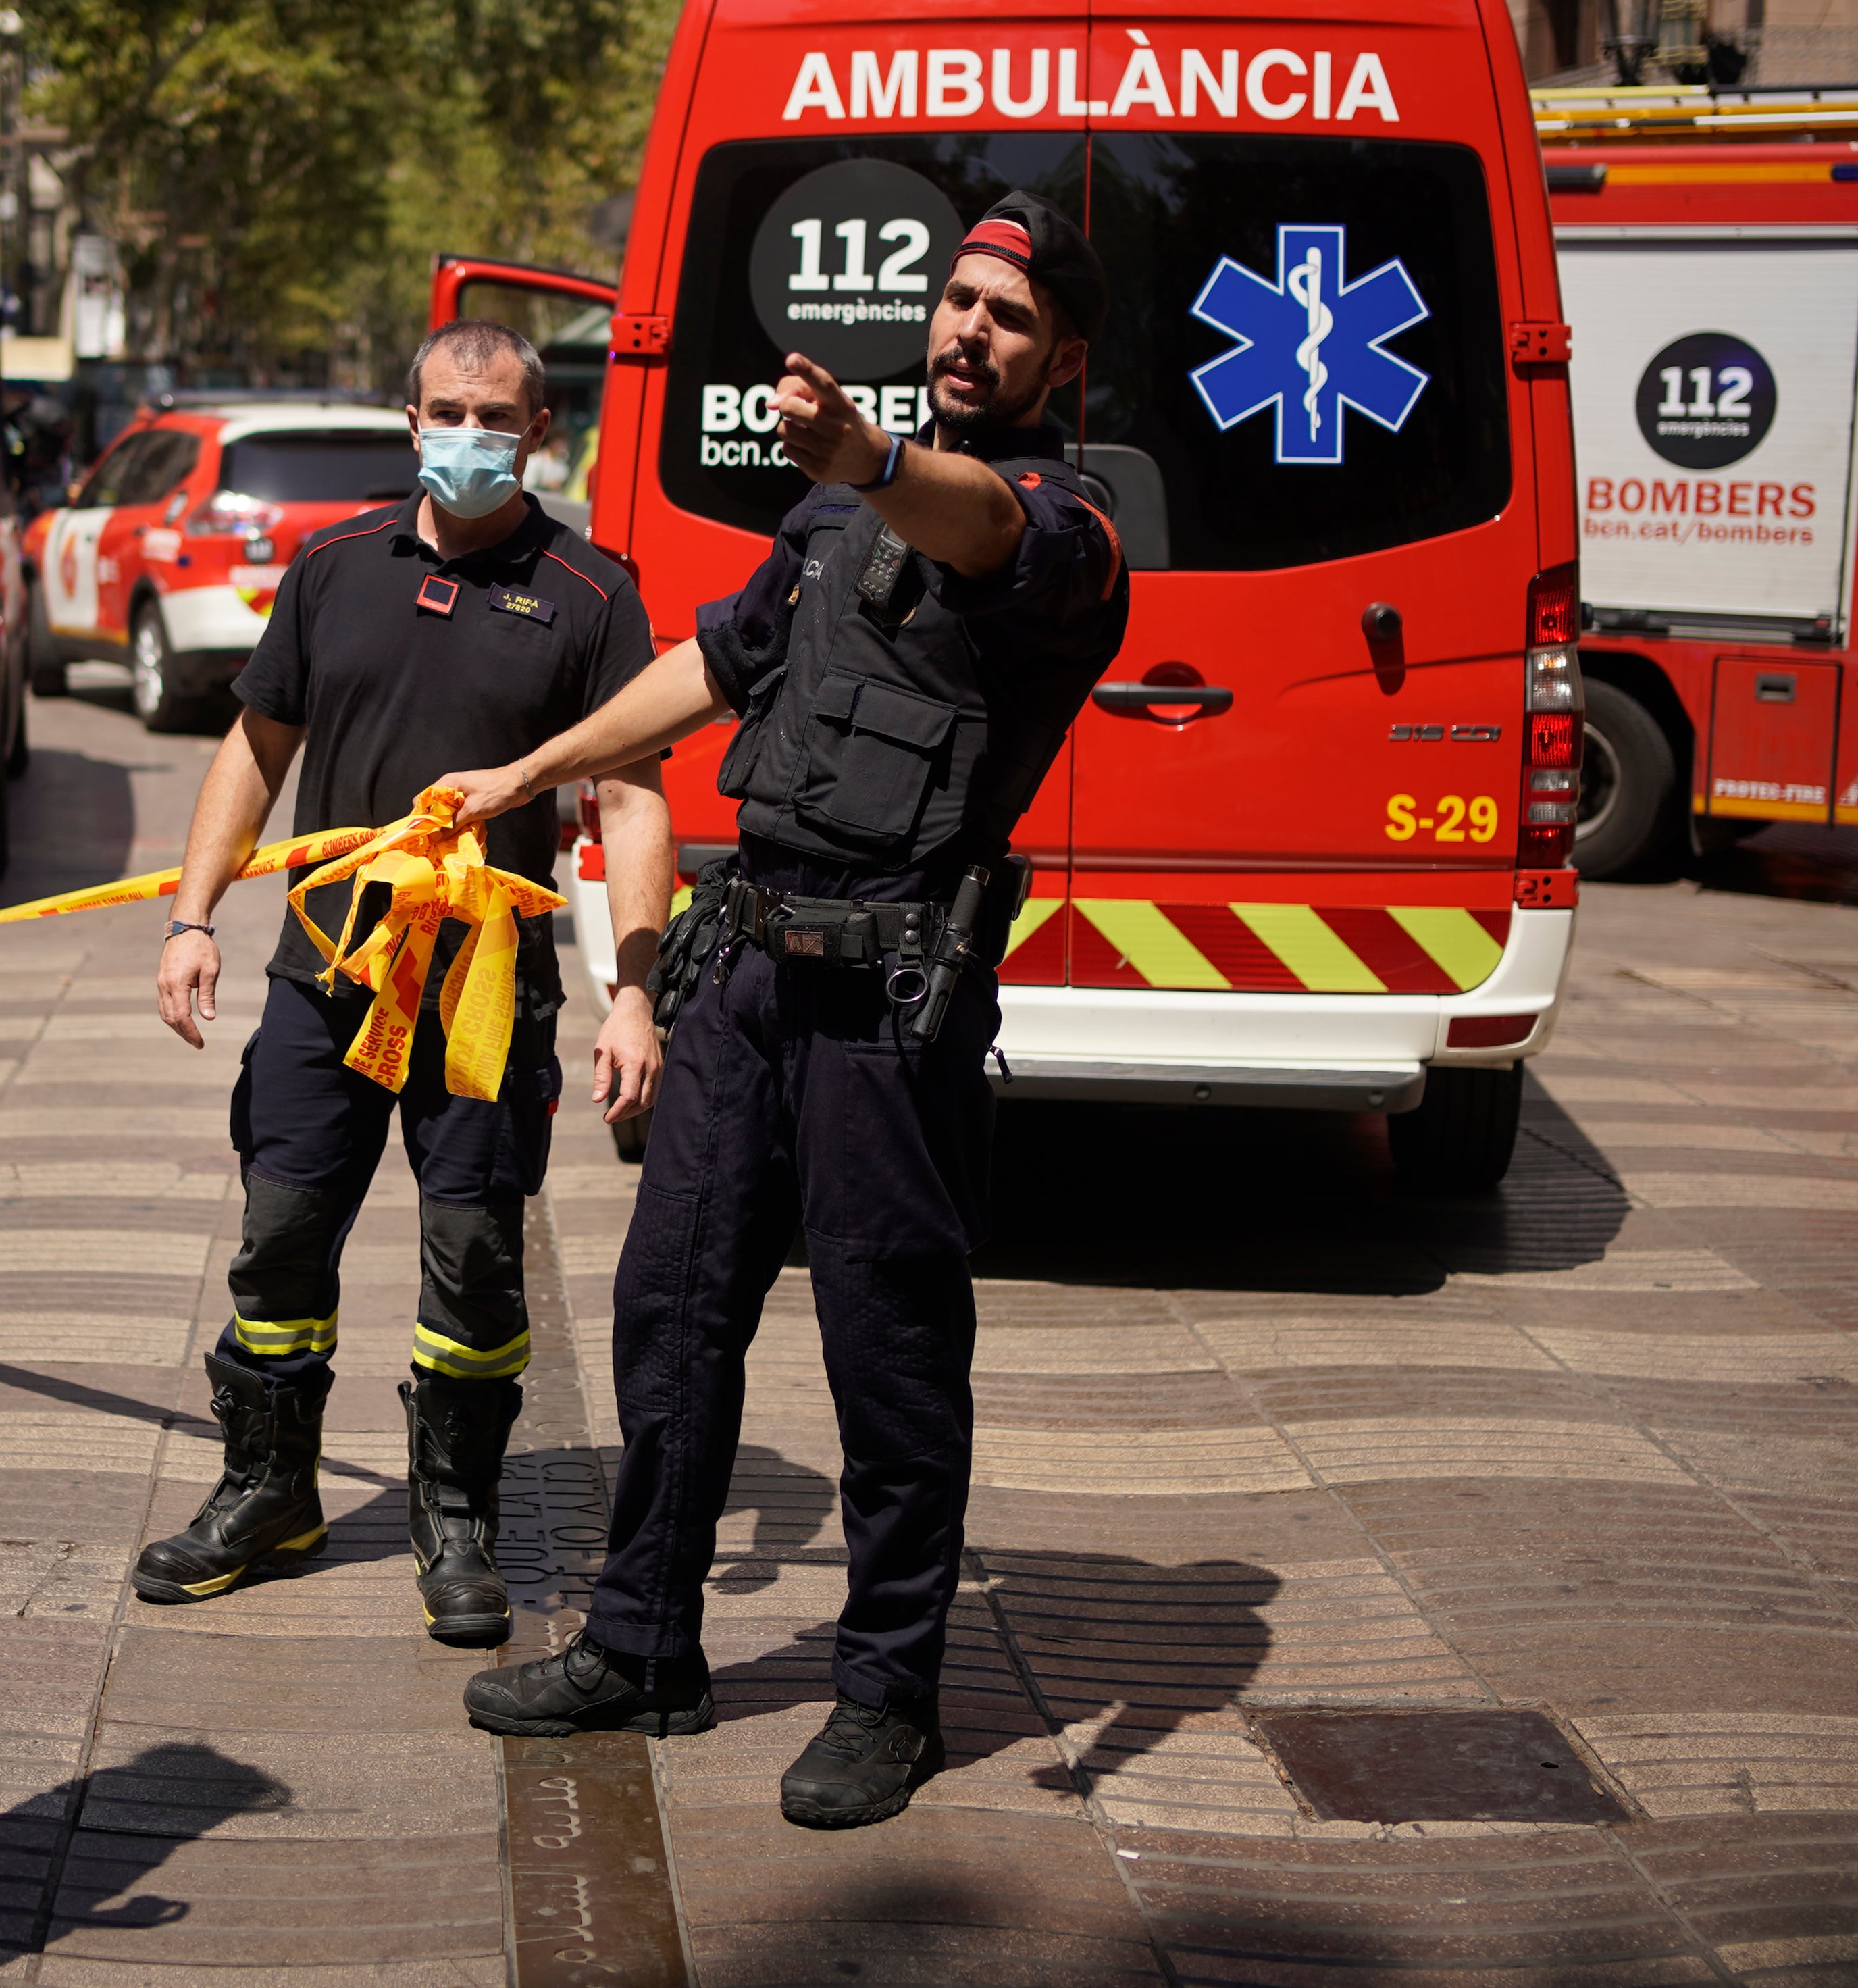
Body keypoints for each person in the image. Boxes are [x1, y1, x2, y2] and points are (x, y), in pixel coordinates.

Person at [444, 193, 1131, 1829]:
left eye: (1009, 317)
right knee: (669, 1314)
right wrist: (532, 772)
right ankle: (641, 1646)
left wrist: (871, 455)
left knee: (888, 1353)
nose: (971, 330)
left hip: (891, 1002)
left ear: (1062, 358)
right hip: (741, 971)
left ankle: (888, 1693)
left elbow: (975, 525)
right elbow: (713, 663)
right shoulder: (830, 525)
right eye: (958, 301)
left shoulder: (1069, 530)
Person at [138, 319, 675, 1646]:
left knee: (476, 1260)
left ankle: (457, 1513)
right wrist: (192, 914)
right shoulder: (330, 568)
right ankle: (268, 1488)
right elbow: (255, 748)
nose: (467, 436)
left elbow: (633, 794)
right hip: (327, 978)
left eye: (494, 415)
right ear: (410, 416)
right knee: (278, 1243)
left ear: (539, 432)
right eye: (445, 409)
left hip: (486, 994)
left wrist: (636, 990)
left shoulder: (593, 594)